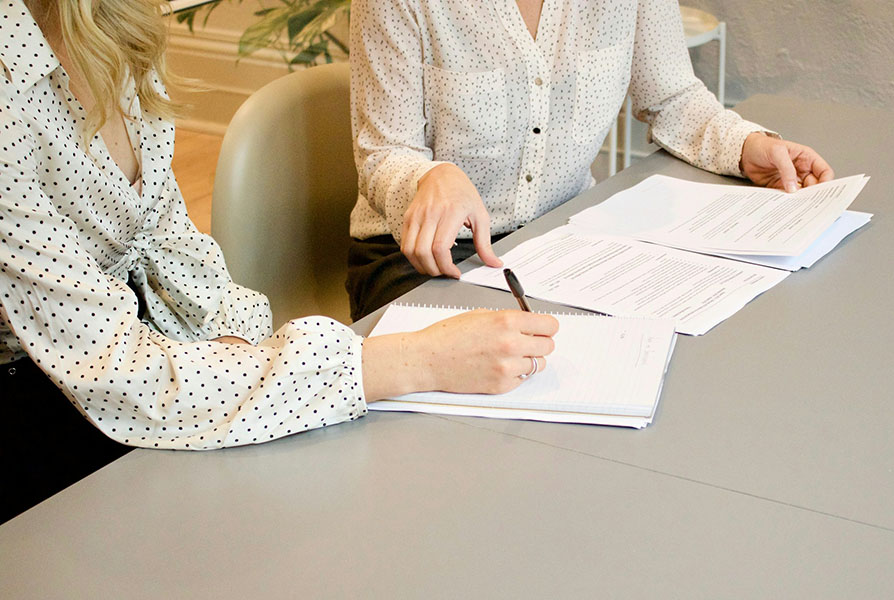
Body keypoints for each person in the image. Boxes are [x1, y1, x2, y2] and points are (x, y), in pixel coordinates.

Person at [0, 0, 559, 524]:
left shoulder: (115, 26)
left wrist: (236, 344)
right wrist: (416, 362)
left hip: (140, 357)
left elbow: (167, 240)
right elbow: (116, 372)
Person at [346, 0, 835, 321]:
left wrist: (748, 146)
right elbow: (383, 152)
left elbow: (672, 97)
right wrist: (431, 177)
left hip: (560, 241)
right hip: (421, 257)